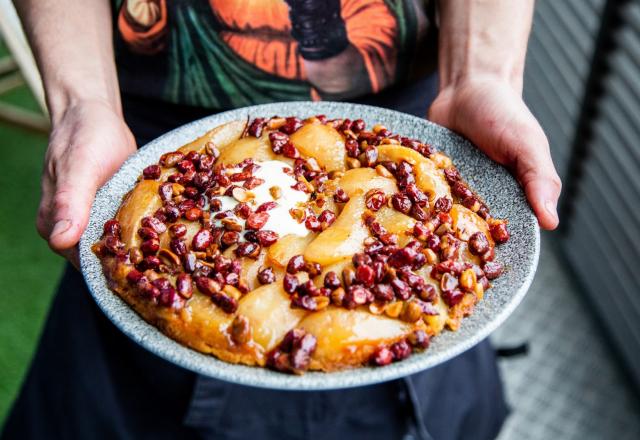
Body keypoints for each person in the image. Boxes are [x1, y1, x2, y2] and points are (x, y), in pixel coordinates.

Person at [3, 1, 561, 439]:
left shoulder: (399, 193)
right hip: (143, 139)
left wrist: (480, 76)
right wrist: (83, 103)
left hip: (415, 126)